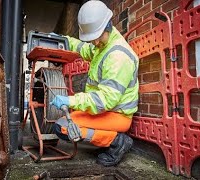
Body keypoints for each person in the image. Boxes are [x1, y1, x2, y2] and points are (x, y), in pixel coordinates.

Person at [50, 0, 139, 167]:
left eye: (96, 38)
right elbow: (84, 48)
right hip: (105, 111)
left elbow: (105, 100)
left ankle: (117, 141)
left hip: (117, 115)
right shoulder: (102, 45)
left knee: (63, 128)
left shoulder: (118, 57)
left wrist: (71, 100)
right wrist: (63, 40)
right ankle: (106, 140)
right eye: (92, 39)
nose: (95, 43)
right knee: (63, 124)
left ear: (107, 26)